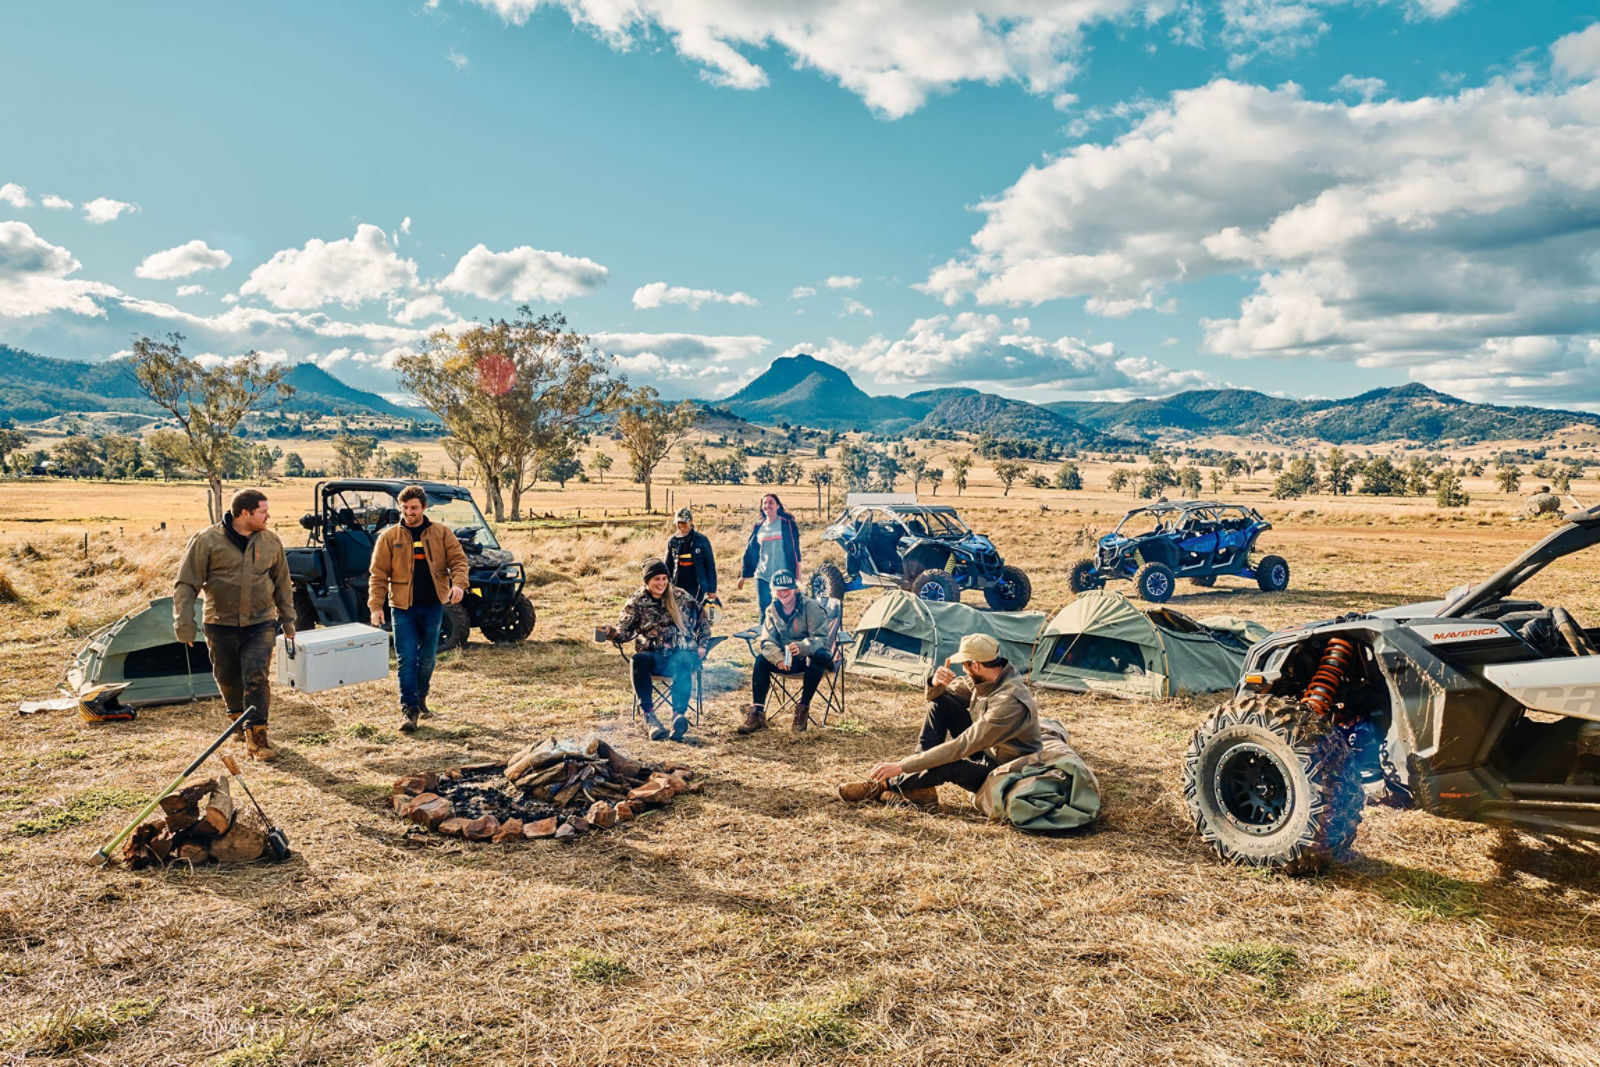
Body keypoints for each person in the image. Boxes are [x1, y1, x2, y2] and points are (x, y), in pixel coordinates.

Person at [836, 633, 1042, 810]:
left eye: (965, 665)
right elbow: (942, 696)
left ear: (976, 665)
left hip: (1006, 768)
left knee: (950, 765)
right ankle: (918, 787)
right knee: (940, 703)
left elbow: (961, 747)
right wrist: (935, 682)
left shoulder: (1008, 702)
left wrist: (901, 766)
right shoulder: (988, 679)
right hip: (990, 750)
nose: (964, 670)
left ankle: (883, 786)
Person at [173, 488, 295, 762]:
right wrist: (184, 624)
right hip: (220, 622)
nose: (268, 515)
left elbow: (283, 584)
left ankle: (257, 739)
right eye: (263, 511)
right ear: (245, 513)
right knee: (227, 677)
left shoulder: (271, 541)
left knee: (256, 676)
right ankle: (238, 720)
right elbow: (186, 583)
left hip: (261, 621)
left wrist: (288, 620)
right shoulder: (207, 540)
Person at [369, 485, 470, 734]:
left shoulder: (441, 533)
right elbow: (378, 574)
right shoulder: (389, 537)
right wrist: (375, 606)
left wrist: (458, 585)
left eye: (414, 508)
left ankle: (421, 697)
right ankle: (409, 710)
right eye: (404, 508)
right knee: (407, 660)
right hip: (402, 608)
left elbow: (458, 561)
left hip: (433, 605)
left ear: (424, 507)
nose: (409, 512)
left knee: (427, 659)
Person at [604, 559, 711, 742]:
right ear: (647, 581)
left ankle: (678, 715)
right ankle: (650, 717)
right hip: (655, 656)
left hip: (682, 653)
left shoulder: (681, 596)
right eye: (656, 579)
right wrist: (611, 633)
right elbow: (624, 631)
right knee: (638, 660)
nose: (661, 583)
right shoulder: (636, 601)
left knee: (682, 660)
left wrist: (702, 646)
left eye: (664, 578)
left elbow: (704, 622)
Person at [737, 570, 833, 735]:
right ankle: (757, 713)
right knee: (761, 660)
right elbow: (767, 641)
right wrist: (778, 659)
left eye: (787, 588)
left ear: (795, 588)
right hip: (786, 661)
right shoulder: (771, 610)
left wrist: (803, 647)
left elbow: (822, 639)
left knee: (818, 656)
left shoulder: (810, 606)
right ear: (774, 591)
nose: (783, 593)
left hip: (809, 659)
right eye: (779, 589)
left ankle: (802, 709)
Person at [737, 492, 800, 620]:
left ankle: (783, 638)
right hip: (762, 576)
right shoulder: (759, 526)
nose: (767, 505)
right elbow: (751, 550)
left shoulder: (787, 524)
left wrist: (797, 576)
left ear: (777, 506)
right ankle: (764, 639)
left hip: (783, 577)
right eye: (765, 503)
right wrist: (744, 575)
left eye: (771, 502)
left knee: (784, 610)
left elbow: (795, 551)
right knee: (764, 612)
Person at [665, 507, 717, 604]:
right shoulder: (672, 541)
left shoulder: (702, 540)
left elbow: (710, 566)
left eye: (684, 522)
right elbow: (668, 566)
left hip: (698, 586)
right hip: (678, 586)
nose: (680, 525)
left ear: (691, 521)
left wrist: (712, 589)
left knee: (696, 614)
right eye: (678, 522)